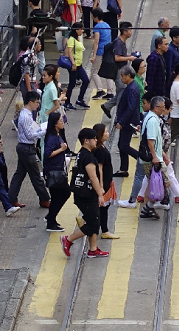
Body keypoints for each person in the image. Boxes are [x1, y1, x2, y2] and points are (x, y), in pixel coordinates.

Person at [61, 128, 109, 258]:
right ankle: (68, 239)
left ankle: (93, 249)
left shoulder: (82, 154)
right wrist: (100, 194)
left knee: (93, 220)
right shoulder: (88, 157)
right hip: (86, 195)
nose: (96, 140)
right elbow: (93, 177)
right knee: (94, 223)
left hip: (81, 193)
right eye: (94, 138)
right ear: (86, 141)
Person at [9, 91, 52, 209]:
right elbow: (30, 135)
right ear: (30, 102)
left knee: (19, 174)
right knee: (36, 176)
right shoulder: (25, 116)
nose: (38, 105)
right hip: (26, 148)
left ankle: (11, 199)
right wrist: (45, 131)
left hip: (24, 147)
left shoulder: (27, 114)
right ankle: (44, 199)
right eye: (37, 102)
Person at [42, 112, 71, 232]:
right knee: (59, 195)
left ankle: (51, 217)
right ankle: (51, 222)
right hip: (53, 172)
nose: (62, 122)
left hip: (58, 169)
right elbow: (47, 154)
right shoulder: (52, 137)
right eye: (60, 120)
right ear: (55, 123)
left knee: (62, 194)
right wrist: (62, 149)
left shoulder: (57, 134)